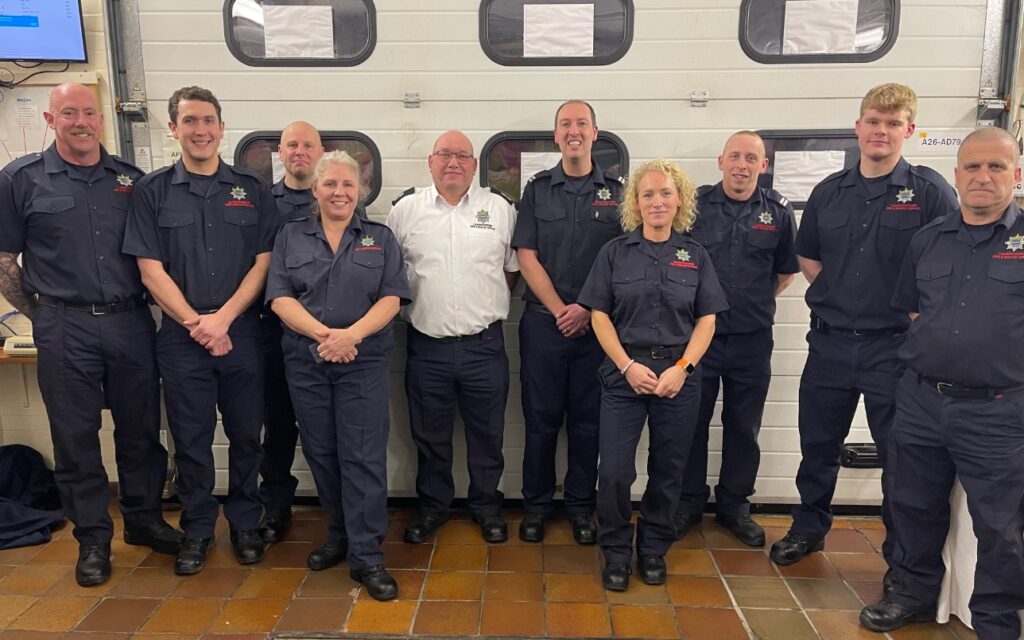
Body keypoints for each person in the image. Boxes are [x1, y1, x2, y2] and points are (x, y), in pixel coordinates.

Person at [770, 84, 959, 583]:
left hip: (893, 348)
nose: (882, 131)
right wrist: (836, 292)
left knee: (900, 456)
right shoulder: (830, 191)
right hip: (830, 341)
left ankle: (900, 555)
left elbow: (949, 261)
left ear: (909, 130)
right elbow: (807, 254)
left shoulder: (928, 191)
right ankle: (809, 527)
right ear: (858, 127)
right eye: (874, 121)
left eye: (894, 123)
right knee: (818, 445)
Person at [0, 83, 181, 586]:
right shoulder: (20, 180)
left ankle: (144, 522)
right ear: (49, 118)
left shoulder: (131, 180)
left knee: (141, 430)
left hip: (129, 321)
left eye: (88, 113)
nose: (80, 121)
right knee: (76, 438)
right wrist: (40, 313)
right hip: (63, 324)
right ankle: (94, 541)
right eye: (68, 113)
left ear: (101, 119)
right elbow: (3, 260)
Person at [859, 127, 1024, 638]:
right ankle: (909, 593)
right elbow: (912, 310)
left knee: (1000, 524)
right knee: (911, 503)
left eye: (995, 167)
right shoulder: (927, 240)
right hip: (922, 401)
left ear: (1016, 175)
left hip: (998, 409)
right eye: (972, 167)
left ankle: (996, 616)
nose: (982, 177)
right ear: (956, 176)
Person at [123, 86, 277, 575]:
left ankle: (246, 522)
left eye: (208, 120)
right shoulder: (152, 191)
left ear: (222, 127)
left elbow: (264, 262)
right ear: (173, 128)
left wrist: (225, 319)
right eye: (189, 121)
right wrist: (198, 323)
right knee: (189, 438)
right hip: (181, 336)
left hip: (242, 332)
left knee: (247, 434)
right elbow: (150, 269)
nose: (200, 130)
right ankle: (196, 528)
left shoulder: (251, 189)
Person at [266, 150, 410, 600]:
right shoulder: (290, 236)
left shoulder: (380, 238)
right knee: (323, 452)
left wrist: (350, 337)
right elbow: (279, 297)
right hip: (307, 362)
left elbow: (392, 298)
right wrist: (324, 335)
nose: (340, 193)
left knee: (362, 456)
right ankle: (339, 534)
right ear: (315, 190)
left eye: (348, 185)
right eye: (330, 185)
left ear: (360, 192)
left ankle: (368, 556)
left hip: (361, 363)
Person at [578, 158, 727, 591]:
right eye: (648, 194)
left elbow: (708, 320)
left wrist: (683, 368)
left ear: (679, 200)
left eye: (665, 193)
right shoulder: (614, 253)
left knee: (669, 469)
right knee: (615, 472)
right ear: (635, 203)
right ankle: (617, 552)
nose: (657, 201)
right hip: (625, 374)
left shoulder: (695, 256)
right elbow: (599, 314)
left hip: (679, 376)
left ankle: (653, 550)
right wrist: (626, 366)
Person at [386, 130, 519, 544]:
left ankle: (486, 507)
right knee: (430, 436)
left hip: (485, 346)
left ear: (474, 165)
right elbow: (389, 274)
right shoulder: (405, 211)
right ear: (430, 161)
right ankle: (433, 508)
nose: (453, 163)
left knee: (487, 436)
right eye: (445, 154)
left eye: (462, 155)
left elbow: (512, 270)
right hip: (427, 347)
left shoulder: (499, 209)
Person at [674, 131, 798, 546]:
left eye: (751, 158)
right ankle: (689, 503)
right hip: (699, 338)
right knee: (692, 424)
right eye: (735, 156)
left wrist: (750, 303)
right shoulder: (695, 207)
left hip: (751, 338)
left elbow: (784, 274)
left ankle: (734, 506)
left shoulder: (778, 212)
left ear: (763, 166)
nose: (742, 165)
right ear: (720, 160)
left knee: (743, 426)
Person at [512, 99, 624, 544]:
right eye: (565, 124)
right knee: (539, 421)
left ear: (595, 133)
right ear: (556, 135)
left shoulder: (617, 193)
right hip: (544, 324)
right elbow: (526, 255)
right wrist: (561, 309)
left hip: (598, 328)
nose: (573, 130)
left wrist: (587, 310)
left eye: (581, 123)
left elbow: (621, 261)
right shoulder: (537, 190)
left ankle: (580, 506)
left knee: (587, 422)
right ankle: (536, 507)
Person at [257, 121, 325, 544]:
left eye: (308, 145)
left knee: (326, 430)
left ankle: (338, 506)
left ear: (320, 152)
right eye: (292, 145)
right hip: (272, 336)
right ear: (280, 153)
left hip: (328, 338)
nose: (300, 151)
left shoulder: (339, 197)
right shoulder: (264, 204)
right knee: (276, 426)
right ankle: (276, 506)